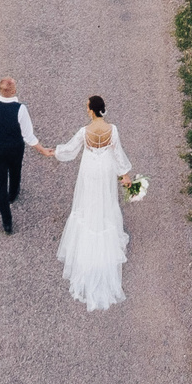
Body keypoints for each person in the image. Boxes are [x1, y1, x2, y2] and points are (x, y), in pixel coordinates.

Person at [50, 95, 133, 311]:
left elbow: (70, 150)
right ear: (102, 110)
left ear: (91, 110)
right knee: (106, 199)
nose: (87, 109)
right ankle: (105, 229)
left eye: (87, 106)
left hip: (89, 169)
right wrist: (125, 174)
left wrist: (53, 151)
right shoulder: (112, 130)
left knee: (88, 199)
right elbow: (117, 152)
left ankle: (89, 234)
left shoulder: (84, 132)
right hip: (105, 168)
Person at [0, 76, 42, 234]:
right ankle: (13, 193)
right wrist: (42, 149)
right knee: (15, 170)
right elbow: (28, 135)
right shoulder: (20, 109)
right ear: (13, 90)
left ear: (0, 90)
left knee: (0, 184)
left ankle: (7, 222)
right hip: (15, 147)